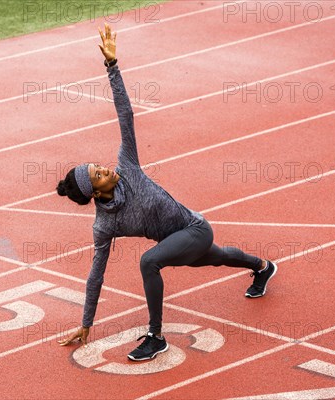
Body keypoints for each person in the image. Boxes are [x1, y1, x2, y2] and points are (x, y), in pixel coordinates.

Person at [57, 24, 277, 361]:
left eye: (99, 166)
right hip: (179, 243)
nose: (106, 169)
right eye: (98, 174)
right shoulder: (104, 226)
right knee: (218, 258)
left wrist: (112, 66)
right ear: (94, 193)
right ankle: (262, 266)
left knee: (149, 261)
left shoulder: (127, 165)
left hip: (193, 229)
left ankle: (155, 336)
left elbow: (125, 114)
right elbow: (95, 274)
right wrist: (86, 323)